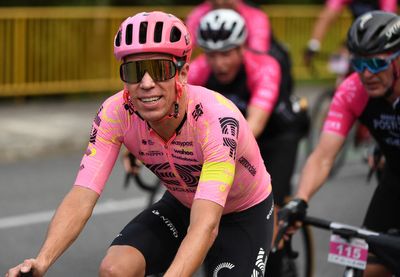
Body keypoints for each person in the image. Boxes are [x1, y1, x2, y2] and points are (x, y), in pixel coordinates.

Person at [6, 11, 275, 277]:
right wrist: (41, 262)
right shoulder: (115, 112)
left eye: (159, 69)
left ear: (182, 74)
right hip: (183, 204)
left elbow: (206, 226)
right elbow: (82, 195)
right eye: (135, 71)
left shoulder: (215, 120)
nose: (146, 83)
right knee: (115, 269)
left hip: (243, 212)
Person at [189, 9, 309, 276]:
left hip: (274, 138)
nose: (219, 63)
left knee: (269, 209)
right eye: (211, 54)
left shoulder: (265, 66)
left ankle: (275, 260)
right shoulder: (198, 69)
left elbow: (254, 123)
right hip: (226, 142)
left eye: (226, 53)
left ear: (242, 47)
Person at [280, 11, 400, 276]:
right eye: (359, 64)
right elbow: (323, 156)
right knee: (361, 268)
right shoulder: (352, 90)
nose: (367, 74)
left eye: (377, 64)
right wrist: (299, 200)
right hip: (395, 178)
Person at [304, 0, 397, 67]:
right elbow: (328, 16)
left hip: (381, 37)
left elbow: (388, 19)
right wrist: (314, 44)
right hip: (359, 37)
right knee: (342, 58)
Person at [185, 0, 271, 53]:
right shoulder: (197, 14)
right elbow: (185, 45)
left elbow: (258, 52)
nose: (219, 2)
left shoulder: (255, 16)